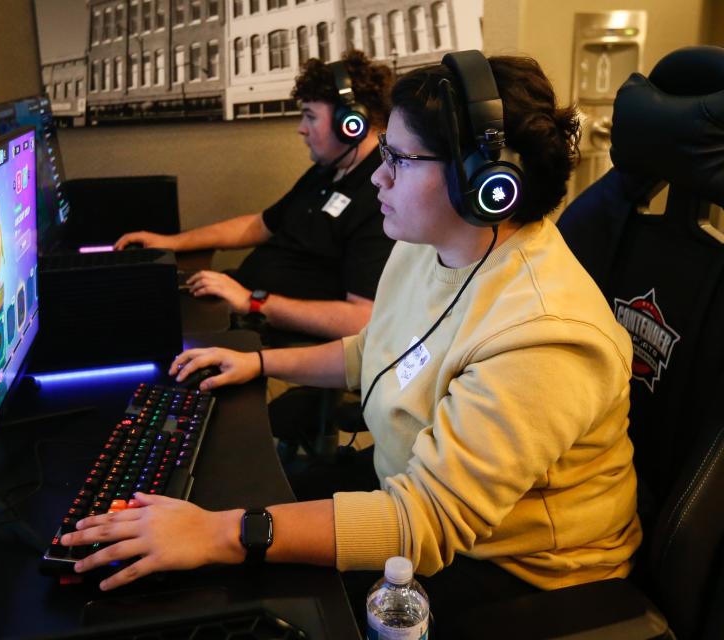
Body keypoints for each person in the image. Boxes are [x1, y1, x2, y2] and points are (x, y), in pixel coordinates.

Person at [63, 52, 642, 628]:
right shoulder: (427, 246)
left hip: (512, 573)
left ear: (486, 186)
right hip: (404, 489)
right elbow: (374, 352)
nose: (378, 175)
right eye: (383, 152)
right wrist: (259, 361)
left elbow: (427, 523)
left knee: (233, 585)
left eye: (402, 159)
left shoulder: (543, 339)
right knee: (228, 512)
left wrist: (218, 533)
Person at [114, 51, 395, 342]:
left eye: (310, 116)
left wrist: (253, 301)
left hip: (272, 335)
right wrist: (170, 242)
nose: (301, 128)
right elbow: (260, 225)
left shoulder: (381, 194)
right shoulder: (330, 169)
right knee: (132, 309)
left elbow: (361, 319)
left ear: (351, 123)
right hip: (240, 303)